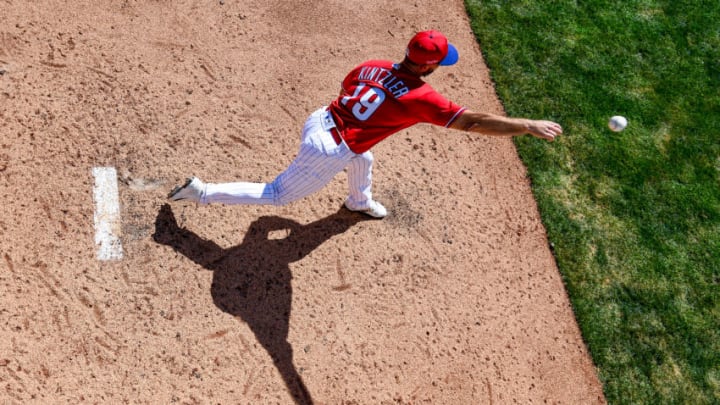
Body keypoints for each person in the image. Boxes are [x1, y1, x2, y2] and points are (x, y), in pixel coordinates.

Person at [168, 30, 562, 218]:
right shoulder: (422, 97)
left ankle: (358, 201)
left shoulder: (372, 64)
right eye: (439, 61)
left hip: (321, 119)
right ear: (426, 64)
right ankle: (200, 192)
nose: (440, 66)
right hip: (328, 148)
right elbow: (472, 122)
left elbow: (348, 87)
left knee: (364, 158)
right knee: (277, 195)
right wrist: (525, 125)